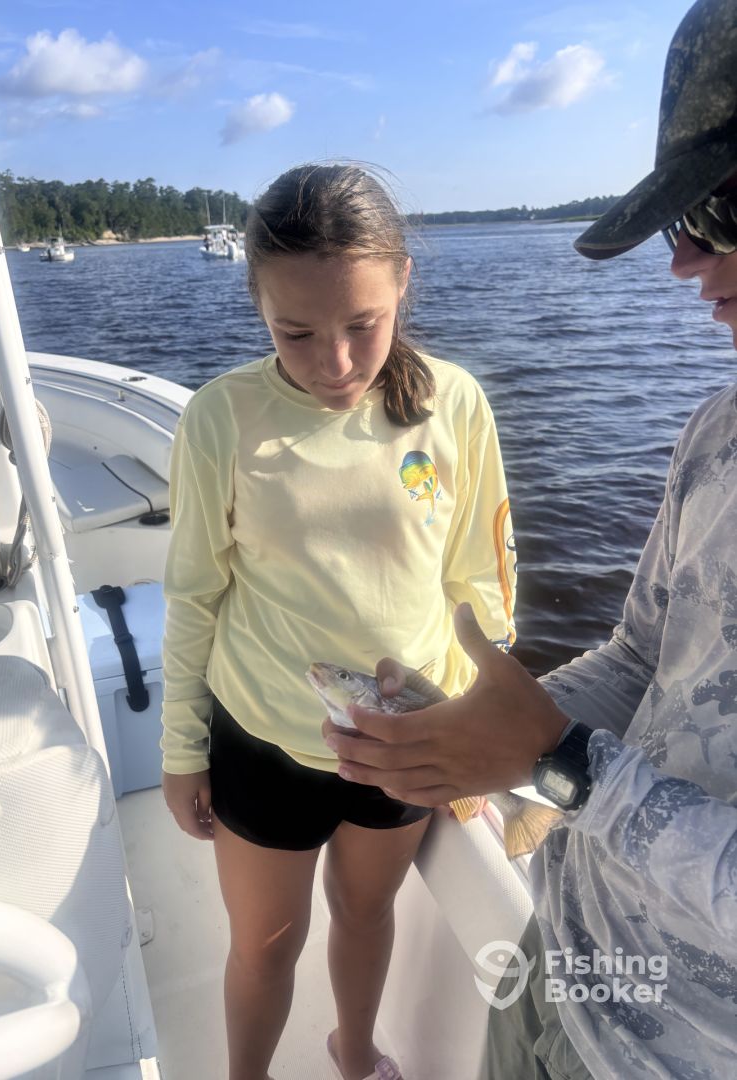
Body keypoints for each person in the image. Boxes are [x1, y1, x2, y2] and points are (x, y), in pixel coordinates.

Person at [323, 1, 737, 1077]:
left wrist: (558, 765)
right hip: (565, 957)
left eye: (722, 209)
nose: (687, 263)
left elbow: (582, 769)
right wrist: (470, 727)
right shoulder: (717, 431)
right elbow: (644, 659)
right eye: (683, 222)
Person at [160, 162, 517, 1080]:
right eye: (296, 333)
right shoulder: (221, 417)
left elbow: (481, 583)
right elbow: (194, 595)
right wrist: (182, 750)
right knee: (264, 946)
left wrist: (479, 732)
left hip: (407, 741)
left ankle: (353, 1055)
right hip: (266, 738)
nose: (337, 363)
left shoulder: (453, 403)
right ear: (257, 303)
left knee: (368, 912)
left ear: (403, 281)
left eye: (364, 324)